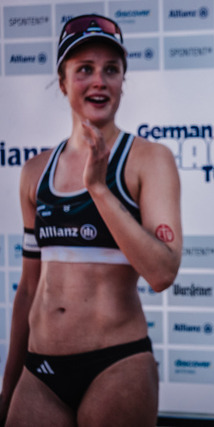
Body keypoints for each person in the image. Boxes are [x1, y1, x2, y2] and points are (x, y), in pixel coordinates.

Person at [0, 14, 182, 426]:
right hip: (39, 370)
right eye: (84, 69)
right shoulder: (35, 171)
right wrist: (8, 387)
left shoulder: (149, 159)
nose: (99, 81)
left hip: (116, 364)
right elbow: (28, 289)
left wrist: (99, 188)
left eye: (111, 70)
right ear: (63, 82)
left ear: (122, 81)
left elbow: (162, 272)